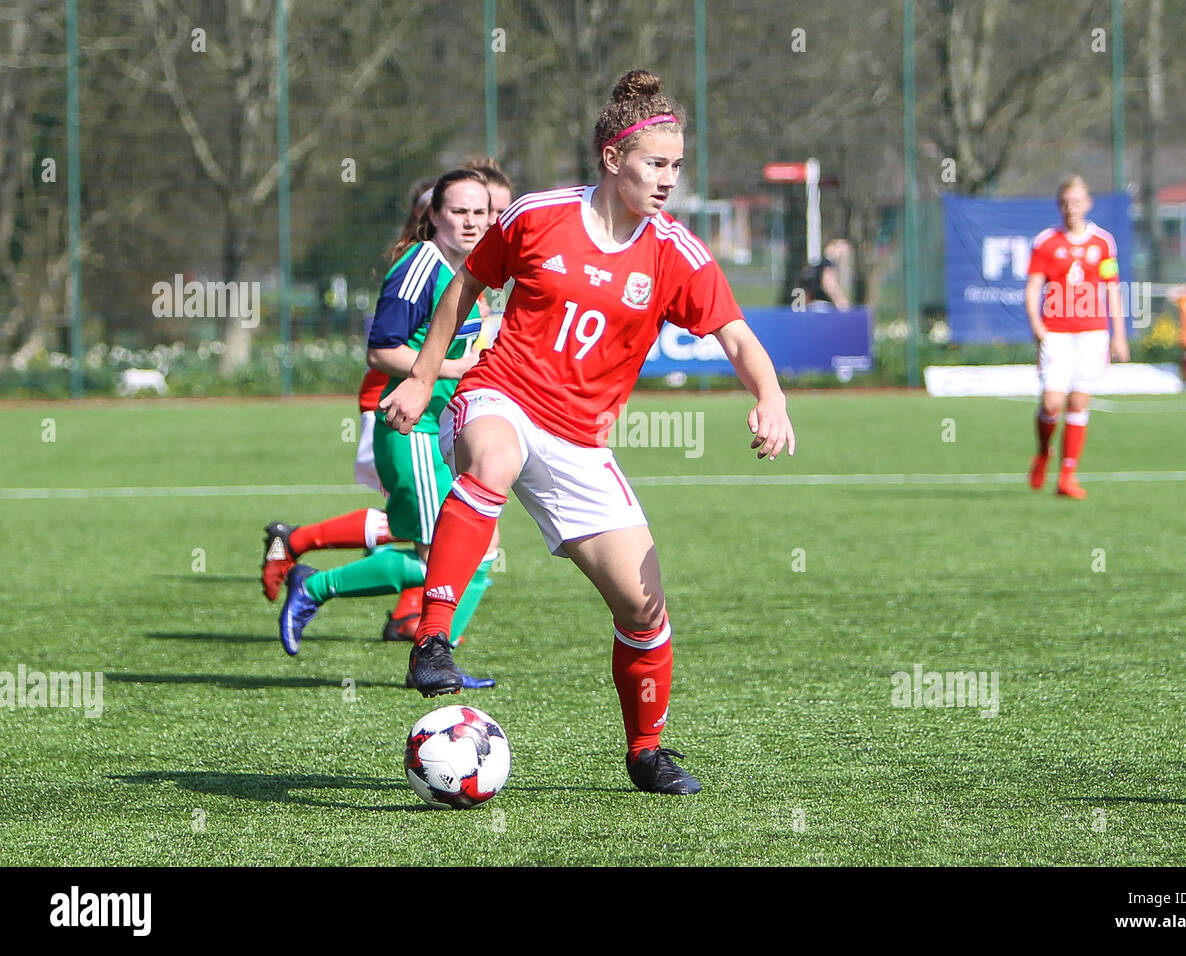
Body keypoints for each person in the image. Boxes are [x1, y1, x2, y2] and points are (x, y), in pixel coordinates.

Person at [379, 69, 797, 795]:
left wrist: (771, 396)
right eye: (655, 164)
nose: (669, 179)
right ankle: (432, 640)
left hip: (580, 442)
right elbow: (467, 284)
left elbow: (735, 335)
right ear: (613, 159)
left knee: (643, 604)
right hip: (500, 395)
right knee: (495, 460)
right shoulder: (539, 216)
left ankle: (646, 751)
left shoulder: (676, 253)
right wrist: (421, 377)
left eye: (676, 166)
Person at [274, 169, 499, 687]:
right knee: (441, 560)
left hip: (446, 428)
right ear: (433, 215)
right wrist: (455, 369)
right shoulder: (421, 265)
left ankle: (438, 661)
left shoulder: (470, 269)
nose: (471, 221)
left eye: (480, 212)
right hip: (412, 430)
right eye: (458, 211)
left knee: (479, 551)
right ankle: (316, 587)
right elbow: (381, 349)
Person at [1025, 175, 1129, 500]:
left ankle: (1067, 476)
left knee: (1079, 401)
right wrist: (1036, 326)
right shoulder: (1046, 242)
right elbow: (1032, 287)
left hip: (1092, 334)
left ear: (1088, 203)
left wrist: (1118, 334)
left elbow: (1112, 289)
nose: (1071, 208)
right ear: (1060, 206)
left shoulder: (1103, 243)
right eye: (1065, 202)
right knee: (1052, 401)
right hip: (1055, 333)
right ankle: (1044, 451)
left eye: (1077, 201)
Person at [796, 238, 851, 311]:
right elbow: (828, 284)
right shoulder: (827, 263)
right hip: (822, 307)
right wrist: (841, 301)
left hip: (812, 306)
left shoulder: (820, 264)